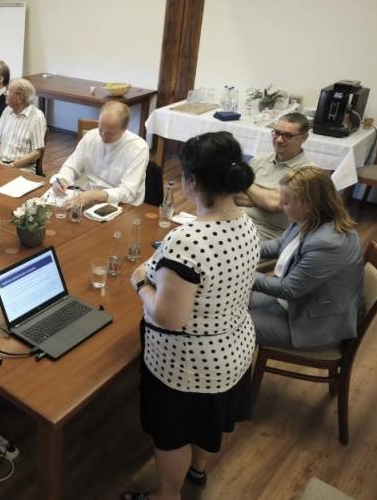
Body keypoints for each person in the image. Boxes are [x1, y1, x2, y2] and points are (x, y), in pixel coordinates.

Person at [127, 131, 259, 500]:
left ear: (190, 181)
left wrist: (140, 283)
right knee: (205, 424)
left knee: (172, 435)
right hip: (234, 348)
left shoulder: (187, 240)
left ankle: (166, 495)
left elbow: (168, 318)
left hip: (188, 365)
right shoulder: (246, 223)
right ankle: (197, 471)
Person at [249, 166, 362, 350]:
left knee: (227, 323)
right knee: (232, 302)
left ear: (307, 204)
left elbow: (288, 289)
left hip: (315, 325)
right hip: (300, 303)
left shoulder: (329, 243)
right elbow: (280, 245)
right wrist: (240, 248)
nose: (281, 205)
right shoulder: (309, 218)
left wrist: (242, 272)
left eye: (286, 202)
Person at [49, 101, 149, 207]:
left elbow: (128, 192)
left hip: (123, 204)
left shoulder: (138, 148)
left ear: (124, 128)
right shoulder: (91, 136)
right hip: (88, 197)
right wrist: (63, 179)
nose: (103, 135)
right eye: (100, 129)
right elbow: (72, 166)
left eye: (110, 133)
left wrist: (95, 195)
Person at [235, 112, 314, 239]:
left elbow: (274, 203)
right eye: (277, 133)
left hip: (266, 234)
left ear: (304, 138)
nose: (279, 140)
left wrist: (246, 183)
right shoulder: (260, 159)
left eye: (288, 135)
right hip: (235, 220)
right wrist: (265, 199)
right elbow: (234, 196)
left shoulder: (306, 172)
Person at [0, 78, 47, 173]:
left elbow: (37, 152)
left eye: (9, 92)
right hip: (1, 164)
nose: (5, 94)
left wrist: (13, 165)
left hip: (22, 168)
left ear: (20, 97)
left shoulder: (37, 117)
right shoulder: (7, 110)